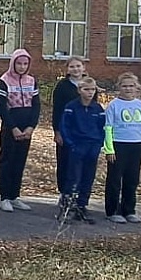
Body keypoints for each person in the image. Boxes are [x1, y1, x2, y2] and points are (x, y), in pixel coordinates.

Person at [103, 73, 141, 223]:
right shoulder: (114, 105)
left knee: (132, 180)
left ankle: (129, 210)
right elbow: (108, 128)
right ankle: (113, 210)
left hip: (136, 145)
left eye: (131, 86)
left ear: (137, 88)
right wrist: (109, 149)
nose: (128, 89)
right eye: (124, 86)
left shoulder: (140, 105)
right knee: (115, 180)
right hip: (119, 145)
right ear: (119, 87)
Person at [0, 48, 41, 213]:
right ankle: (4, 196)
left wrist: (31, 127)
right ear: (13, 63)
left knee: (19, 161)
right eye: (19, 63)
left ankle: (15, 195)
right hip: (10, 127)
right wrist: (13, 127)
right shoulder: (4, 80)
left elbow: (36, 106)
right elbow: (0, 106)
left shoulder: (31, 81)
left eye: (25, 64)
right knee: (7, 160)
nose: (22, 67)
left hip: (26, 126)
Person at [58, 76, 105, 224]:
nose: (90, 92)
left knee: (88, 177)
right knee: (73, 177)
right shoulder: (71, 107)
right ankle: (67, 207)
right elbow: (64, 126)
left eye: (92, 89)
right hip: (77, 146)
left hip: (93, 147)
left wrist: (99, 144)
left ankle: (82, 205)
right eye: (86, 89)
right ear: (79, 90)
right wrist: (71, 143)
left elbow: (103, 128)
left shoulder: (98, 108)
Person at [50, 57, 87, 202]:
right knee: (65, 161)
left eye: (78, 66)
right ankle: (64, 193)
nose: (76, 69)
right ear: (67, 69)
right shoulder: (62, 86)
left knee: (81, 163)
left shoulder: (89, 84)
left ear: (83, 67)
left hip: (83, 132)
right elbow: (57, 110)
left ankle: (78, 194)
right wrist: (57, 131)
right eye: (72, 66)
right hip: (66, 130)